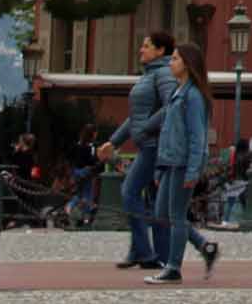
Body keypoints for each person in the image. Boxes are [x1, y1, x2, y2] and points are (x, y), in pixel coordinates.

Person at [98, 31, 178, 270]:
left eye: (146, 46)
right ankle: (147, 253)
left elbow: (171, 105)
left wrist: (146, 128)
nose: (141, 50)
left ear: (160, 50)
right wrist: (114, 141)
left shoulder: (163, 74)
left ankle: (145, 252)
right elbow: (135, 117)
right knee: (155, 204)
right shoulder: (150, 75)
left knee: (130, 192)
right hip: (148, 144)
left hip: (154, 146)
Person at [148, 43, 219, 283]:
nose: (171, 62)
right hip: (171, 163)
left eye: (175, 59)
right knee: (162, 213)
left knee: (176, 216)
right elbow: (167, 133)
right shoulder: (177, 93)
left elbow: (198, 138)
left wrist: (192, 171)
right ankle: (204, 247)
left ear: (187, 64)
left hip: (182, 164)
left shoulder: (193, 96)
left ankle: (173, 267)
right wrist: (160, 167)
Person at [68, 124, 102, 225]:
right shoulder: (91, 147)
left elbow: (72, 157)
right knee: (88, 194)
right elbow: (92, 161)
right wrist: (98, 161)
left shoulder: (77, 144)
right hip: (86, 172)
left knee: (79, 193)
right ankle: (86, 216)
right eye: (96, 133)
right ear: (93, 134)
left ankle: (70, 207)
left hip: (77, 171)